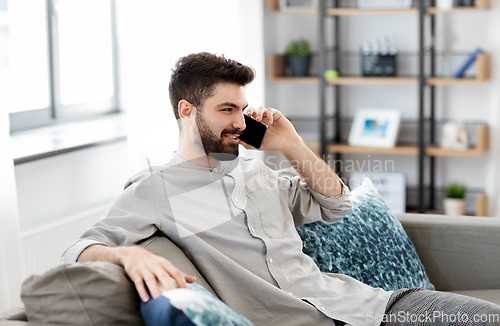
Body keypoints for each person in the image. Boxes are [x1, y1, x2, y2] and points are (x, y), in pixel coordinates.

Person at [62, 52, 500, 326]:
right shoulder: (154, 189)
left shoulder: (258, 172)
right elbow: (78, 248)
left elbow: (337, 205)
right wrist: (128, 252)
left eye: (243, 109)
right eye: (226, 109)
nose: (239, 122)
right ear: (186, 110)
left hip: (371, 307)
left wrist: (290, 144)